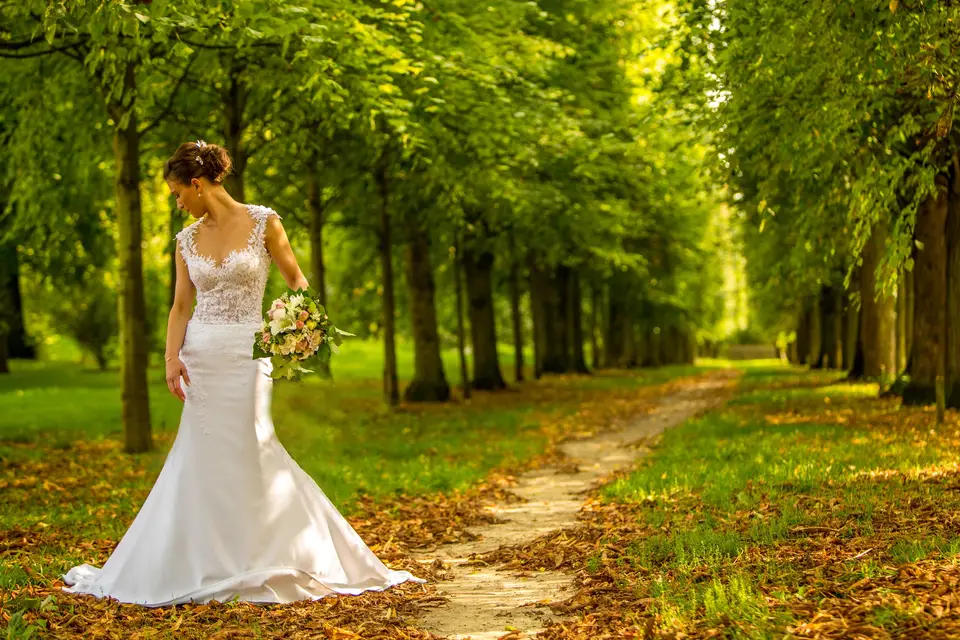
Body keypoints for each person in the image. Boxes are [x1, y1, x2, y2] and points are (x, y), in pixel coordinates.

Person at [61, 140, 424, 606]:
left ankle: (279, 550)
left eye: (177, 193)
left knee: (255, 445)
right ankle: (203, 559)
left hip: (249, 355)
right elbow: (180, 306)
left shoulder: (265, 223)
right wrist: (171, 359)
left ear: (197, 184)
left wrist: (295, 327)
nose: (177, 203)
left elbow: (298, 282)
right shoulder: (185, 240)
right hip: (201, 359)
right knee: (201, 456)